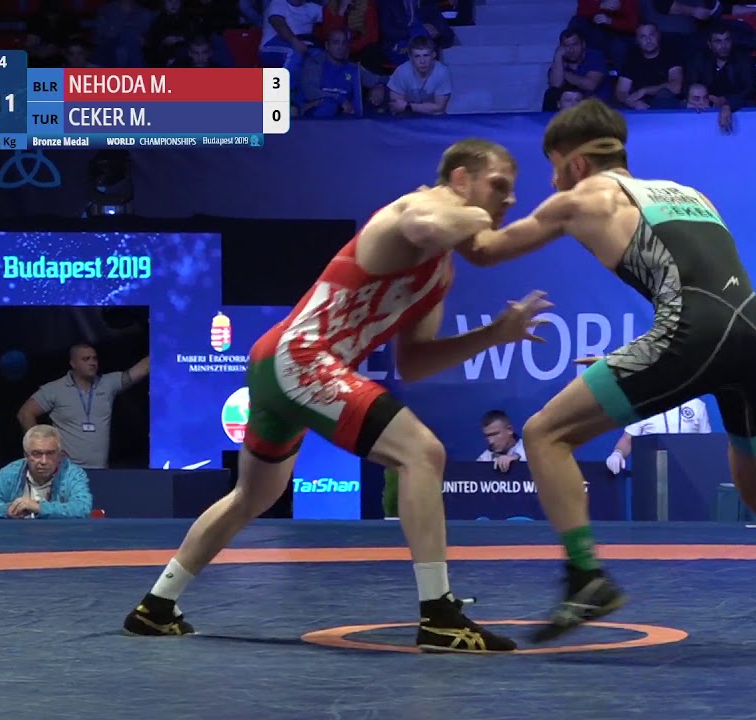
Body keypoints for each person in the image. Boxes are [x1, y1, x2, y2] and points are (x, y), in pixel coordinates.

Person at [456, 99, 756, 657]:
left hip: (692, 335)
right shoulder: (690, 194)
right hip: (754, 336)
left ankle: (585, 577)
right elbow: (703, 285)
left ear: (575, 164)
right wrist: (637, 359)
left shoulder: (581, 198)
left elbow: (483, 251)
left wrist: (455, 199)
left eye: (553, 167)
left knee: (544, 434)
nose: (550, 182)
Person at [123, 139, 551, 654]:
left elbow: (415, 362)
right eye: (498, 186)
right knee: (422, 453)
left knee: (253, 496)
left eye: (511, 192)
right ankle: (439, 614)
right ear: (460, 179)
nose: (508, 200)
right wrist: (486, 223)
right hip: (301, 358)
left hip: (281, 363)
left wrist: (494, 335)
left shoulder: (440, 272)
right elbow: (430, 227)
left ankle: (156, 606)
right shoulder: (418, 206)